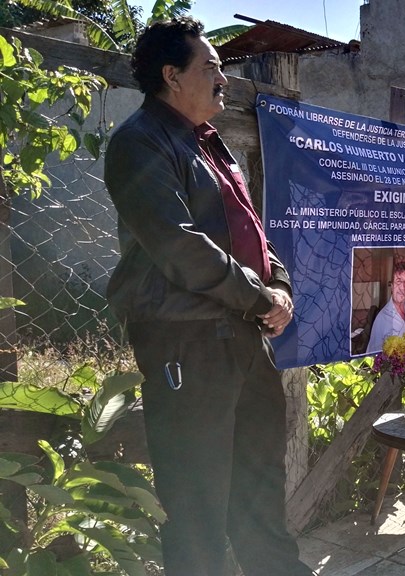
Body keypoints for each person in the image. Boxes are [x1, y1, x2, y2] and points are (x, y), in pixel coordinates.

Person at [103, 18, 313, 576]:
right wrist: (259, 297)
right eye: (211, 66)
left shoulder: (210, 143)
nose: (223, 75)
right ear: (172, 76)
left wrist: (281, 287)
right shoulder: (139, 142)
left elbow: (251, 232)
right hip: (188, 341)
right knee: (196, 505)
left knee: (259, 488)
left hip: (242, 337)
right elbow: (179, 245)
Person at [367, 261, 405, 353]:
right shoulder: (382, 319)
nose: (403, 287)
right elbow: (371, 357)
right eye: (398, 281)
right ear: (392, 286)